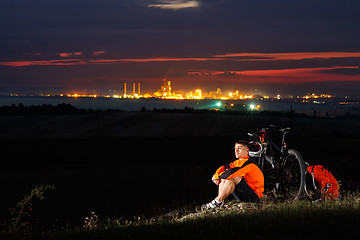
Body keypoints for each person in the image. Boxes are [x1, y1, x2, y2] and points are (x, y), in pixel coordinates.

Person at [201, 140, 264, 209]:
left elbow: (231, 173)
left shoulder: (249, 163)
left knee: (232, 176)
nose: (236, 151)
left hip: (253, 197)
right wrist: (216, 174)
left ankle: (217, 202)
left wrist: (217, 176)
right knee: (225, 173)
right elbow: (225, 167)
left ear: (247, 151)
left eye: (239, 148)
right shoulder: (237, 162)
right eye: (235, 148)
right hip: (243, 193)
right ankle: (220, 202)